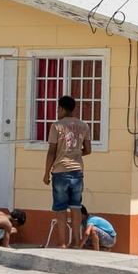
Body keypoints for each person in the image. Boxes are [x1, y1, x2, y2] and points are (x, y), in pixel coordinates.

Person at [42, 95, 91, 248]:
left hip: (60, 172)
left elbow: (51, 151)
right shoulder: (84, 126)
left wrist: (46, 173)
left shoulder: (56, 126)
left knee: (60, 208)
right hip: (77, 171)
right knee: (76, 206)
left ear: (62, 109)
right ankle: (76, 242)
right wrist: (75, 155)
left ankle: (62, 243)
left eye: (58, 109)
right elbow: (88, 150)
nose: (57, 112)